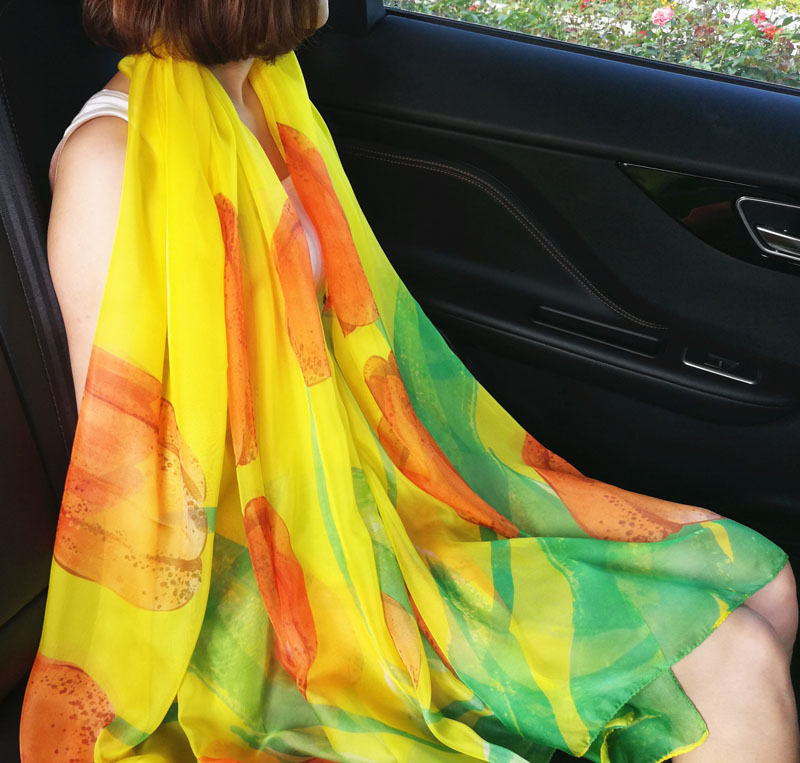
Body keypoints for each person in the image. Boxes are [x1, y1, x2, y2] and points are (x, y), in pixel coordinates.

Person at [25, 0, 799, 760]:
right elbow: (131, 489)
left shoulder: (267, 93)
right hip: (266, 580)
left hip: (377, 504)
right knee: (734, 661)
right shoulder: (112, 164)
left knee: (762, 583)